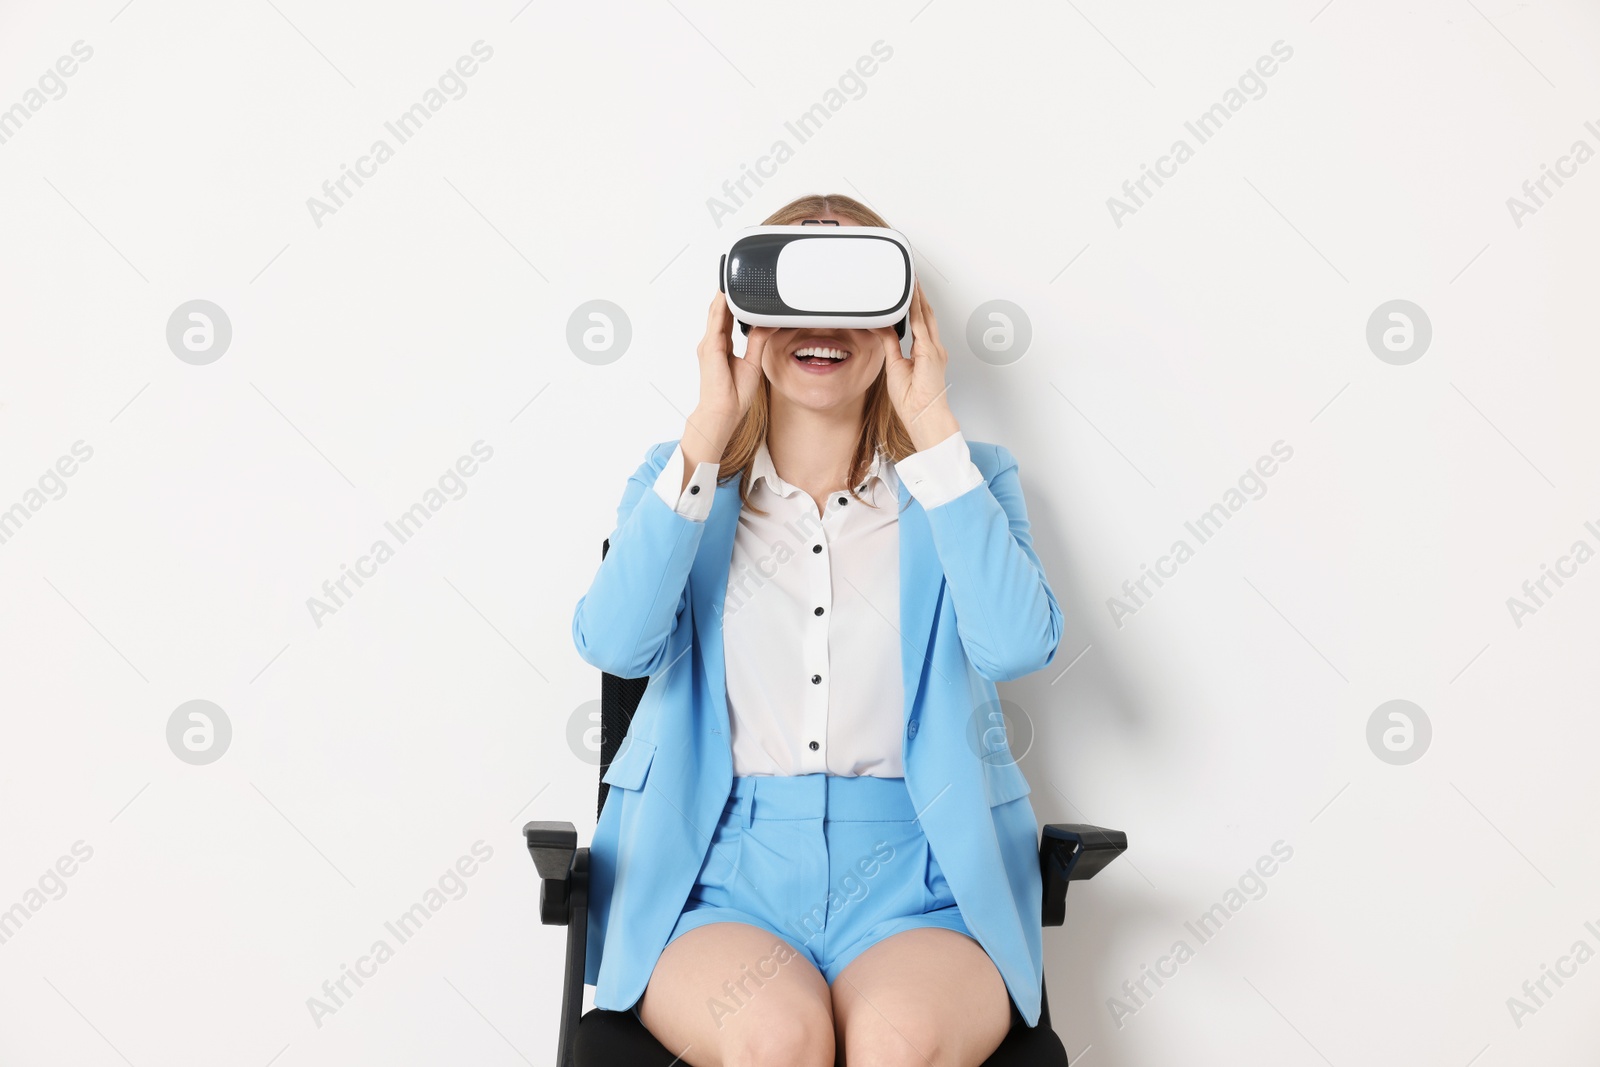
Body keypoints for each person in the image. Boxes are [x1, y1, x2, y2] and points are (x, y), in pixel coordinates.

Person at [572, 193, 1065, 1066]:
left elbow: (1017, 644)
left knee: (899, 1042)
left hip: (923, 878)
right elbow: (615, 643)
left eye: (853, 294)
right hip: (717, 879)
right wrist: (707, 433)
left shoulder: (967, 480)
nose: (823, 323)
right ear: (747, 319)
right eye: (795, 292)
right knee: (777, 1040)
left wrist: (934, 430)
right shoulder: (680, 481)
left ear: (900, 320)